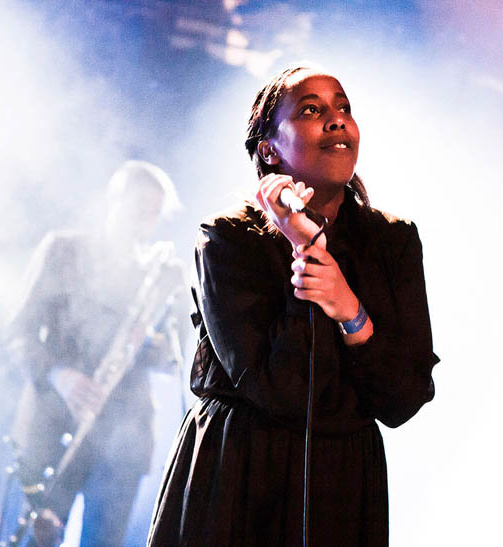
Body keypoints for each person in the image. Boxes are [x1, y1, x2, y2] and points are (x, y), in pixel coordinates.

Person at [147, 66, 440, 547]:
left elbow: (405, 397)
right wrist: (305, 247)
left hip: (344, 481)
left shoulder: (394, 240)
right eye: (311, 110)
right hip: (240, 474)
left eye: (343, 108)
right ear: (269, 149)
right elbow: (277, 389)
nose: (336, 120)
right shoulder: (228, 239)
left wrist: (350, 311)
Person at [5, 160, 190, 546]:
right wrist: (59, 375)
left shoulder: (160, 273)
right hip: (54, 426)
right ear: (116, 200)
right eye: (139, 209)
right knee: (37, 538)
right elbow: (19, 332)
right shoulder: (64, 250)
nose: (145, 222)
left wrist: (148, 341)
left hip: (124, 440)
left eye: (154, 215)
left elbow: (175, 359)